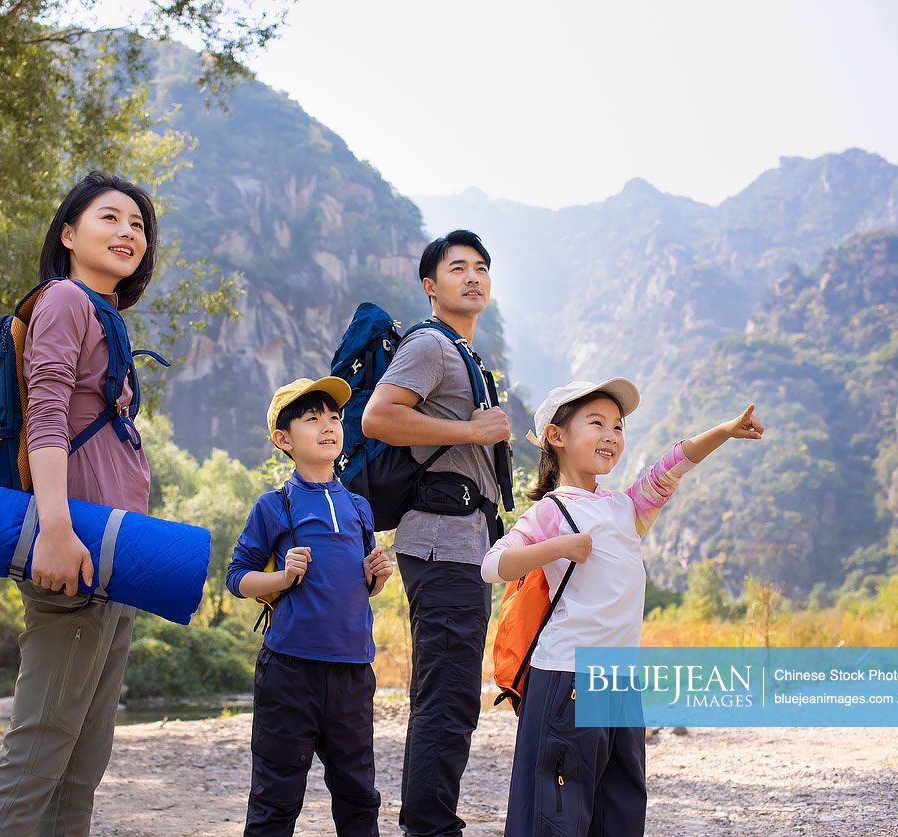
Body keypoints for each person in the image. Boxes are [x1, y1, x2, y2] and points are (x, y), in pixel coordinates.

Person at [481, 379, 765, 836]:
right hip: (567, 675)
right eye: (597, 423)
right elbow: (492, 565)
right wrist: (557, 546)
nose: (612, 435)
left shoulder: (625, 508)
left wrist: (726, 430)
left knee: (620, 806)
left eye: (618, 426)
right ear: (556, 436)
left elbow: (672, 465)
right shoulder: (552, 510)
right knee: (558, 810)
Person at [0, 172, 158, 835]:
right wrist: (53, 527)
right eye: (110, 217)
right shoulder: (64, 301)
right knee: (37, 754)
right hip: (70, 548)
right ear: (69, 234)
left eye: (138, 224)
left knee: (81, 762)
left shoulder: (106, 317)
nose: (128, 231)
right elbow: (44, 414)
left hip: (115, 555)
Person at [361, 229, 513, 837]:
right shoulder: (431, 345)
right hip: (441, 542)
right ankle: (428, 826)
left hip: (464, 542)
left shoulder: (465, 353)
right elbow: (380, 415)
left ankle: (430, 820)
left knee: (450, 695)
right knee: (446, 697)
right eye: (458, 268)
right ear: (431, 286)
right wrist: (474, 433)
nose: (472, 277)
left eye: (481, 267)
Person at [227, 377, 395, 837]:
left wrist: (376, 577)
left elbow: (362, 586)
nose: (328, 426)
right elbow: (237, 578)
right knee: (275, 801)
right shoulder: (273, 505)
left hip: (353, 672)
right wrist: (282, 577)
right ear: (283, 439)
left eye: (335, 417)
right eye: (312, 418)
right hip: (290, 671)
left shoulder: (360, 507)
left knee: (360, 798)